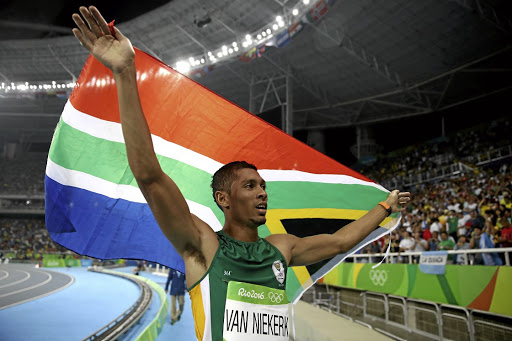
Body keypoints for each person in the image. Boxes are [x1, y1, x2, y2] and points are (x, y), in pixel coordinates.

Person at [71, 7, 411, 340]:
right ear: (224, 199)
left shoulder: (282, 248)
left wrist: (385, 207)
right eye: (250, 186)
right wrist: (125, 72)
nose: (263, 192)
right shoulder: (202, 245)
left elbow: (340, 241)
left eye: (263, 186)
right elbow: (149, 176)